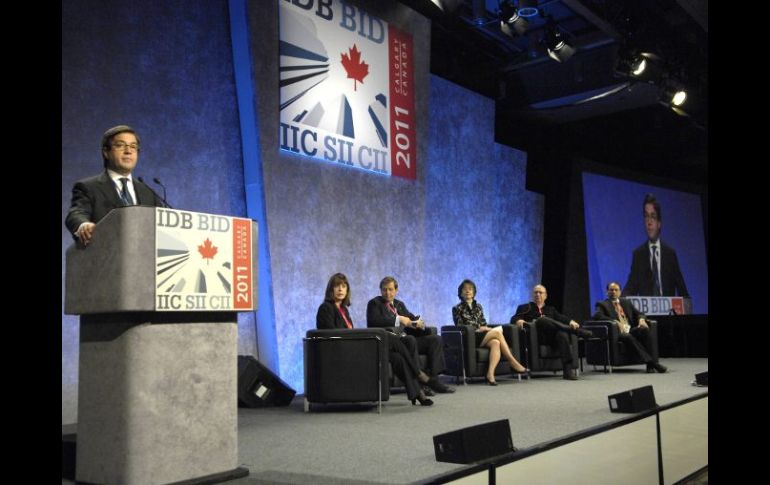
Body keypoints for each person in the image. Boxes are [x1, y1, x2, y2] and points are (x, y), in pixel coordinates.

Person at [316, 273, 434, 406]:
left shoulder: (344, 309)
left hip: (352, 348)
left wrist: (420, 324)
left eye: (344, 286)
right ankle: (417, 372)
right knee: (387, 335)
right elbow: (330, 336)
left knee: (397, 358)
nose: (340, 289)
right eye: (337, 286)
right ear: (330, 289)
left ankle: (418, 394)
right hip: (342, 351)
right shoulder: (325, 308)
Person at [65, 125, 164, 246]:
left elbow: (163, 224)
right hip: (104, 257)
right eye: (120, 145)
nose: (128, 151)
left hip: (145, 258)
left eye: (133, 146)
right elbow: (76, 214)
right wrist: (84, 225)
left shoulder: (148, 192)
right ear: (106, 152)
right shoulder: (88, 187)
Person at [366, 276, 454, 394]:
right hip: (393, 342)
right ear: (380, 290)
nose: (387, 293)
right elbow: (374, 321)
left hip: (406, 338)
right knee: (410, 339)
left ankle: (433, 380)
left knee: (436, 339)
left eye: (390, 289)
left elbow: (411, 319)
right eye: (384, 289)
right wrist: (398, 319)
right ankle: (422, 384)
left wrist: (419, 324)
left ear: (396, 290)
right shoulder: (374, 303)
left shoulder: (399, 304)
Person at [452, 279, 529, 385]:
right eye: (464, 289)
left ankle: (490, 374)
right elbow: (460, 326)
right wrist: (480, 327)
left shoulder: (478, 307)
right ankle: (513, 362)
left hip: (481, 335)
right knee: (497, 333)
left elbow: (483, 322)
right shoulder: (457, 308)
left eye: (470, 289)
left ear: (474, 292)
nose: (468, 291)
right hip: (469, 338)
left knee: (496, 343)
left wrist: (484, 328)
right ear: (460, 293)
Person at [510, 284, 592, 380]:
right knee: (542, 320)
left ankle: (567, 371)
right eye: (536, 292)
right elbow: (514, 318)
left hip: (551, 338)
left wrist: (571, 321)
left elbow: (561, 318)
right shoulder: (525, 307)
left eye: (540, 292)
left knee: (562, 334)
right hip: (536, 338)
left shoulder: (550, 309)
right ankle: (576, 332)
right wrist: (518, 320)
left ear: (545, 296)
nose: (538, 294)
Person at [592, 282, 667, 373]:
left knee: (644, 329)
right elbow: (597, 316)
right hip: (618, 333)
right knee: (627, 336)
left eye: (616, 290)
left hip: (630, 330)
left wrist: (641, 320)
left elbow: (639, 313)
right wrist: (615, 321)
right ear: (607, 292)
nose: (614, 292)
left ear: (620, 292)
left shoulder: (626, 302)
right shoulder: (602, 304)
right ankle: (652, 363)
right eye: (611, 290)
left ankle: (650, 365)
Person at [624, 193, 689, 298]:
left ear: (659, 223)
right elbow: (630, 287)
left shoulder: (670, 254)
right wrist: (617, 303)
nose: (649, 222)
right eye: (646, 216)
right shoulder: (638, 255)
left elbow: (683, 292)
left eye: (653, 216)